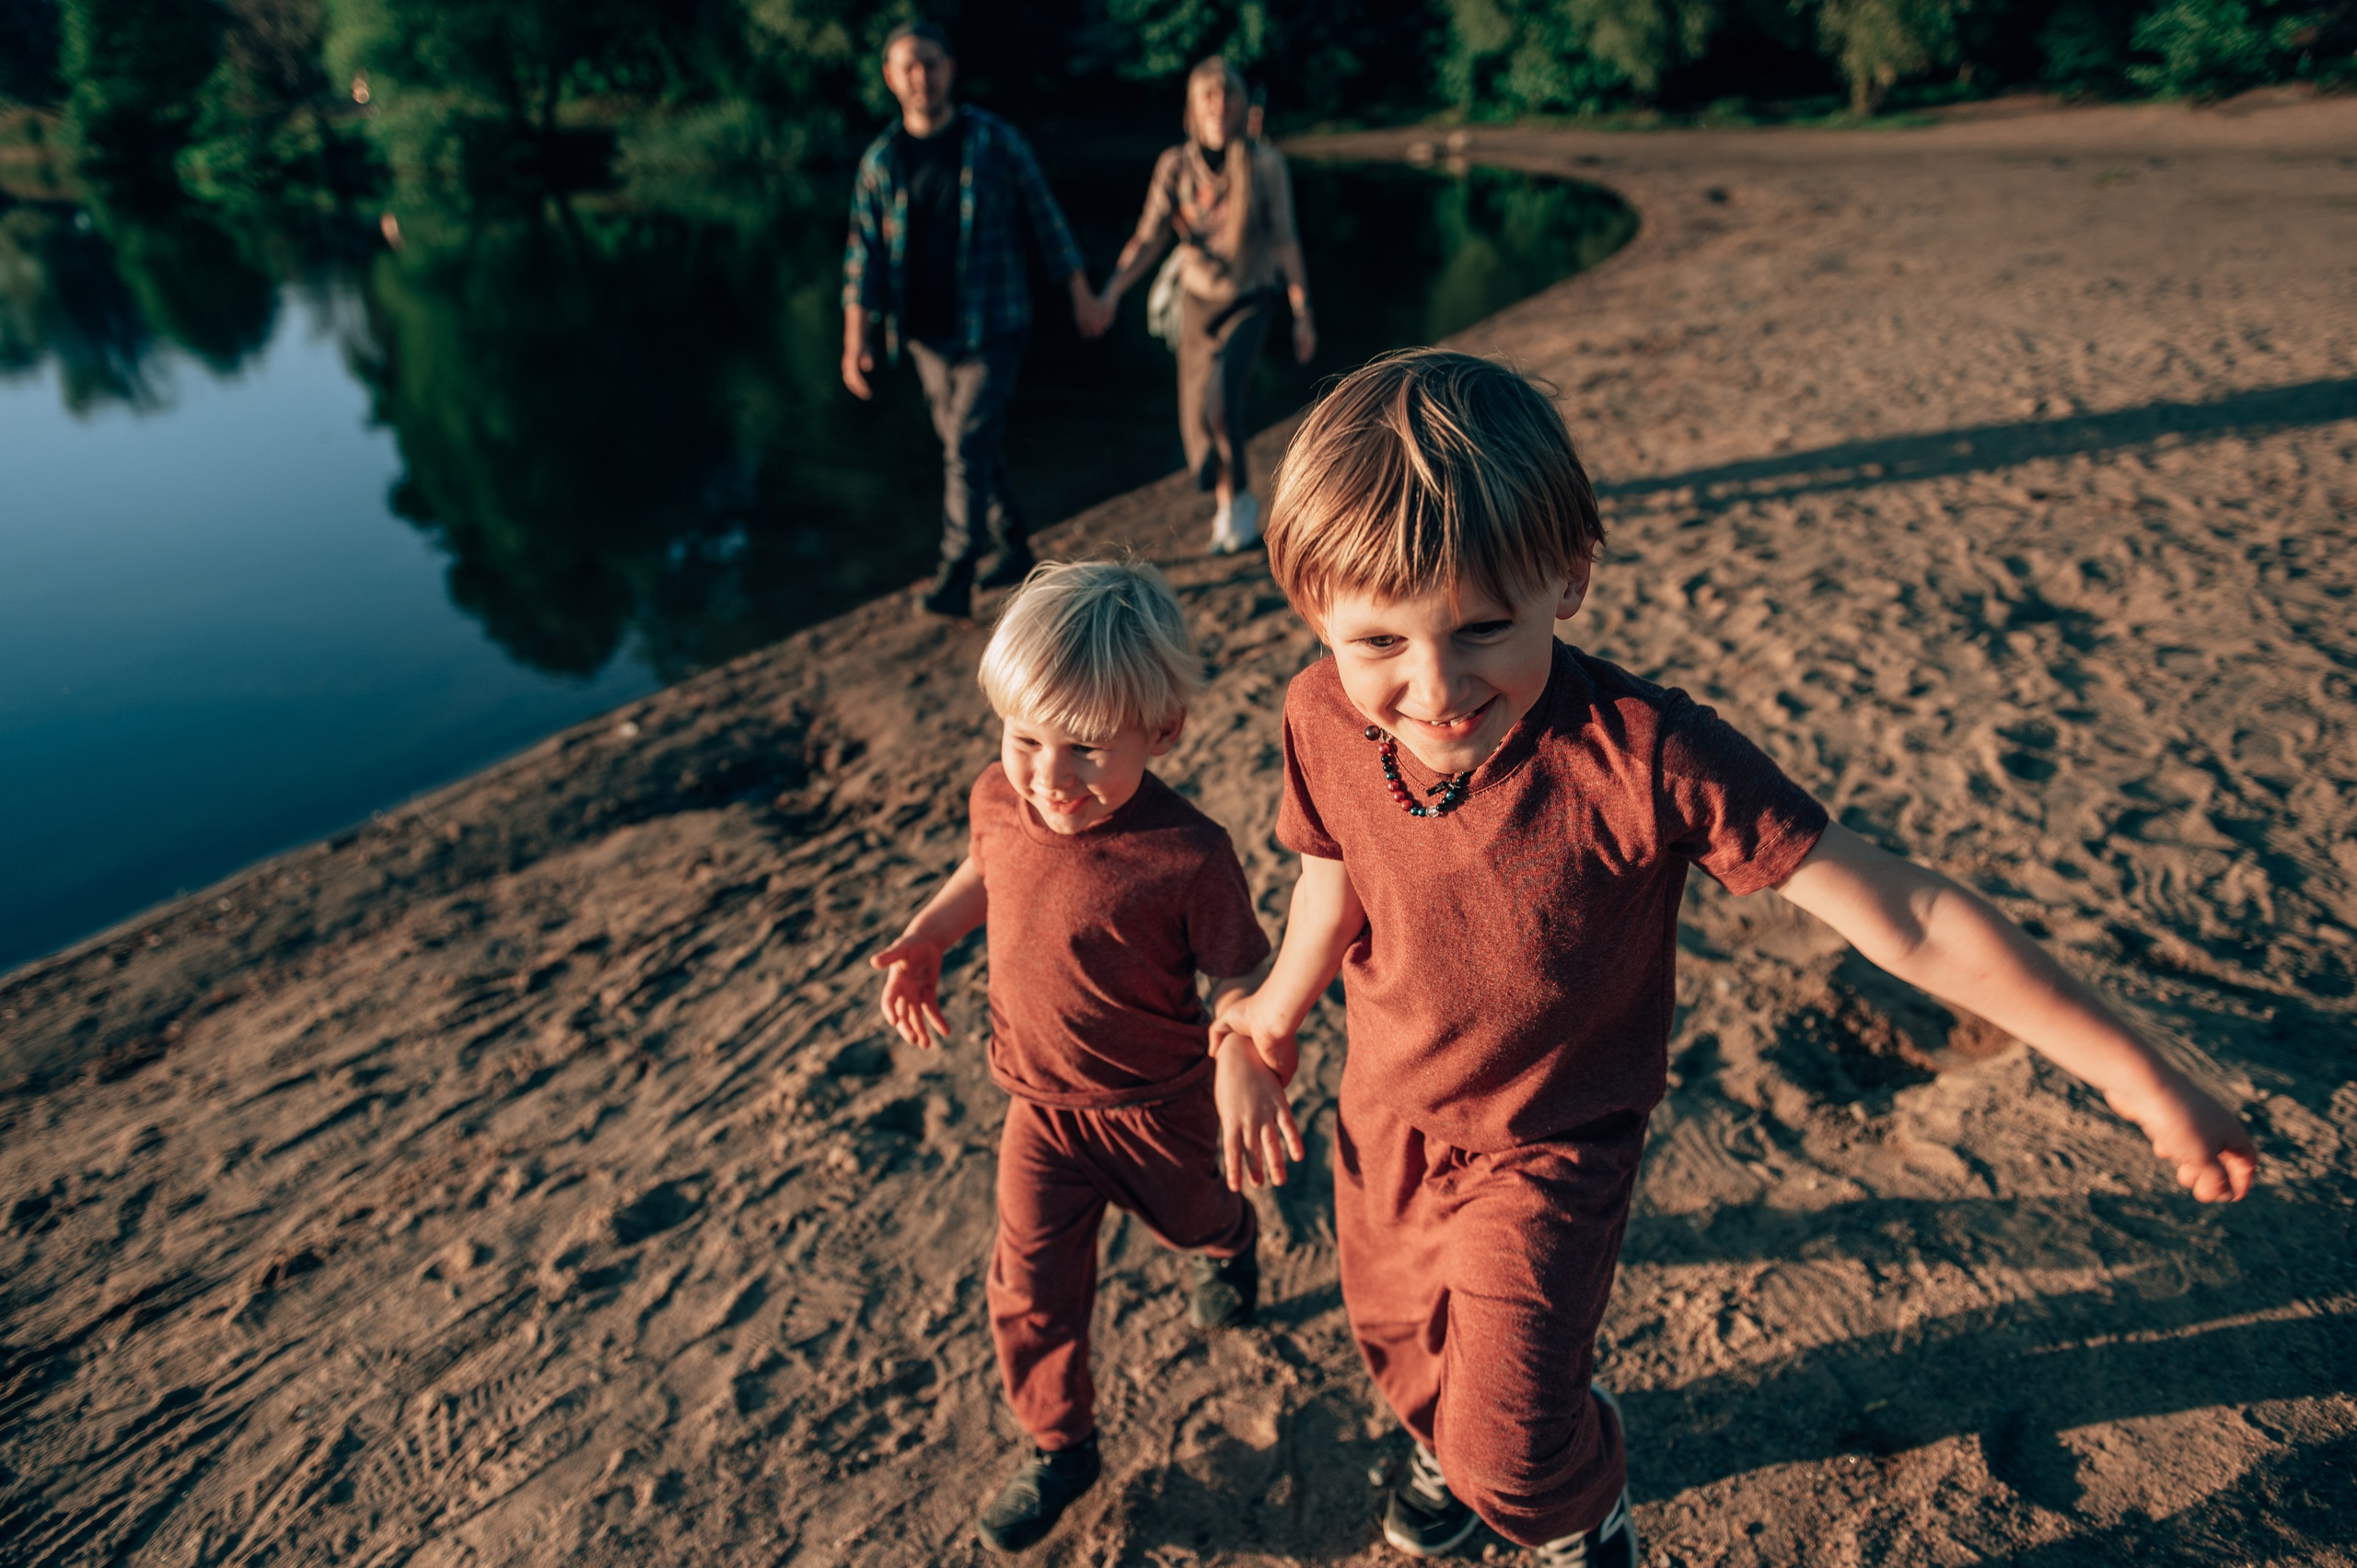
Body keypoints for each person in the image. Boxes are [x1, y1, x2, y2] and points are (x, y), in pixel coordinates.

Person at [1208, 350, 2258, 1565]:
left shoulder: (1644, 753)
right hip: (1384, 1113)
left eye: (1485, 624)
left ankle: (1578, 1502)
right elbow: (1333, 870)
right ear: (1312, 612)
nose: (1435, 688)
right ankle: (1452, 1438)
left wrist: (2130, 1067)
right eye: (1377, 637)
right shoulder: (1319, 713)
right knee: (1401, 1344)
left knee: (1514, 1442)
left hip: (1553, 1136)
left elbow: (1905, 913)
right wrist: (1271, 1020)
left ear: (1569, 576)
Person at [868, 560, 1273, 1553]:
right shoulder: (1002, 801)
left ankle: (1232, 1241)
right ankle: (1060, 1440)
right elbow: (984, 868)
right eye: (1025, 739)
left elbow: (1237, 976)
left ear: (1162, 730)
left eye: (1086, 748)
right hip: (1038, 1108)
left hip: (1157, 1104)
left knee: (1193, 1218)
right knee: (1028, 1281)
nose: (1049, 777)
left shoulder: (1189, 853)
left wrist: (1243, 1052)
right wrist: (928, 935)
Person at [842, 21, 1110, 619]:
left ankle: (957, 567)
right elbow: (862, 255)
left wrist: (1082, 292)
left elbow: (1045, 217)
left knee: (965, 443)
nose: (921, 76)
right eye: (908, 66)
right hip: (923, 335)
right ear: (890, 77)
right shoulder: (881, 160)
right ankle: (1013, 542)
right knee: (968, 444)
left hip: (995, 325)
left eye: (930, 63)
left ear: (949, 68)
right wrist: (855, 336)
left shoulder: (993, 141)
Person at [1097, 58, 1314, 557]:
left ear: (1241, 104)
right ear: (1193, 108)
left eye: (1229, 95)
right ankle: (1224, 500)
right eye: (1208, 96)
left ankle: (1239, 505)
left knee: (1221, 405)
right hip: (1196, 303)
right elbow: (1148, 237)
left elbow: (1286, 242)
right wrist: (1111, 290)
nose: (1220, 105)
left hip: (1249, 300)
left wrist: (1303, 313)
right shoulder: (1174, 166)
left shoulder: (1263, 165)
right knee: (1196, 428)